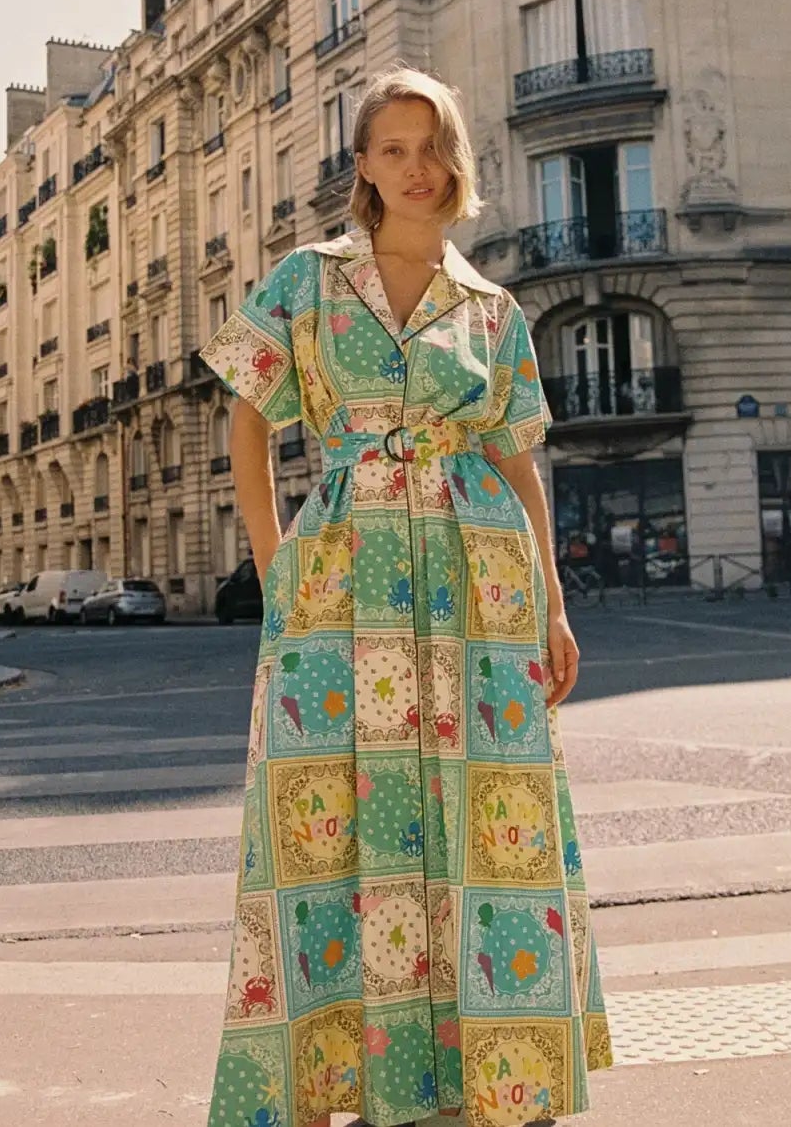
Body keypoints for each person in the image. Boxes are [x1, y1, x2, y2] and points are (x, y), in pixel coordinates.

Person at [198, 67, 610, 1127]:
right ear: (363, 168)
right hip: (339, 565)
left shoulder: (493, 306)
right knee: (324, 807)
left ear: (455, 160)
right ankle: (336, 1070)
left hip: (479, 574)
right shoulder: (305, 280)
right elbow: (247, 413)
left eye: (430, 146)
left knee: (484, 813)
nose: (414, 167)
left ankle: (488, 1078)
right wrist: (268, 552)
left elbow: (520, 462)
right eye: (390, 148)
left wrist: (554, 602)